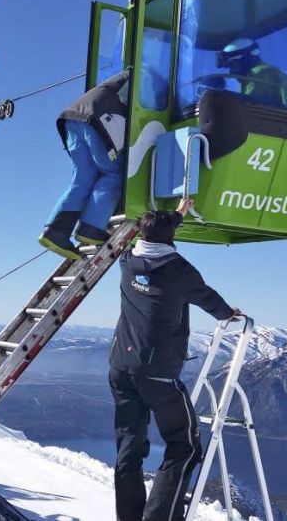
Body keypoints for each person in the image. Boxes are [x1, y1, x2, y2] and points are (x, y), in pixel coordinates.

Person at [109, 200, 241, 521]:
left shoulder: (128, 262)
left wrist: (175, 216)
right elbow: (206, 297)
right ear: (170, 237)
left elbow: (149, 237)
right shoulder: (178, 270)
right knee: (185, 446)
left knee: (129, 450)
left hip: (120, 368)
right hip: (158, 375)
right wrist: (228, 313)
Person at [39, 69, 130, 259]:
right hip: (98, 118)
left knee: (84, 177)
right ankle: (91, 227)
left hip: (72, 118)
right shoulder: (142, 74)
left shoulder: (120, 77)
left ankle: (55, 231)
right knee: (114, 174)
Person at [216, 38, 287, 108]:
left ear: (246, 60)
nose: (231, 71)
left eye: (233, 65)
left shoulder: (260, 73)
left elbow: (246, 107)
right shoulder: (247, 79)